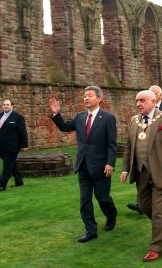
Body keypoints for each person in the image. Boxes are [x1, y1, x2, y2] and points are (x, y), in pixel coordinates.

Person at [120, 90, 162, 262]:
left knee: (158, 212)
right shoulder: (133, 121)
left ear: (153, 101)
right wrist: (124, 169)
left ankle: (155, 248)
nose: (138, 104)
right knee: (144, 206)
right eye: (136, 101)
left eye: (142, 100)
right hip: (141, 172)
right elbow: (128, 148)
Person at [48, 86, 118, 243]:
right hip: (83, 166)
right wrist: (56, 114)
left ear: (99, 98)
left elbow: (112, 144)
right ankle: (91, 230)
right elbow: (65, 127)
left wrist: (110, 163)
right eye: (85, 96)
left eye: (90, 96)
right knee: (84, 200)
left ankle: (111, 215)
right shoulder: (79, 117)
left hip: (101, 166)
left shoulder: (108, 118)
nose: (86, 98)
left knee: (103, 198)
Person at [128, 85, 162, 213]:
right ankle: (143, 204)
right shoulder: (138, 116)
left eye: (154, 93)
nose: (139, 103)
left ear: (159, 96)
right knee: (144, 181)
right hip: (144, 156)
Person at [0, 99, 29, 191]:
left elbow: (23, 132)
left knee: (7, 165)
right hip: (0, 146)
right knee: (12, 164)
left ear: (12, 106)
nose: (5, 106)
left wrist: (24, 145)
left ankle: (1, 185)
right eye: (4, 104)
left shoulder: (18, 117)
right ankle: (19, 181)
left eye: (7, 104)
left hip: (12, 146)